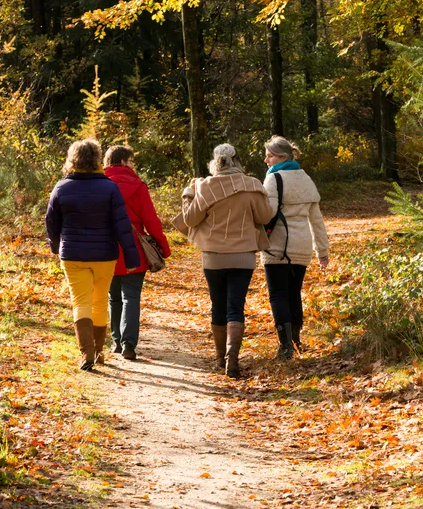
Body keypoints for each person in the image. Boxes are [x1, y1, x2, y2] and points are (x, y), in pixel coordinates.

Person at [175, 144, 274, 379]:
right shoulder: (252, 185)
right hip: (243, 256)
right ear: (238, 160)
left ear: (215, 161)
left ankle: (220, 359)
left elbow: (190, 220)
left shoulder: (204, 187)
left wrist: (188, 195)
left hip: (213, 256)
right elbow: (265, 217)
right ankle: (233, 360)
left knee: (217, 305)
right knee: (235, 306)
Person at [45, 139, 140, 371]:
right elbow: (122, 225)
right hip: (104, 255)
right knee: (99, 302)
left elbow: (51, 222)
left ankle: (86, 353)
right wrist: (131, 257)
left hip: (73, 255)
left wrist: (56, 245)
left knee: (81, 302)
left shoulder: (61, 188)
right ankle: (97, 352)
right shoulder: (109, 188)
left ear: (72, 159)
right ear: (97, 159)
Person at [261, 135, 330, 360]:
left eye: (269, 155)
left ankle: (285, 346)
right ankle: (296, 340)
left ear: (282, 157)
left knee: (278, 294)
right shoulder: (306, 179)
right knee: (293, 293)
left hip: (277, 246)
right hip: (301, 247)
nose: (266, 160)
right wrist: (322, 252)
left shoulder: (273, 179)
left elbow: (267, 214)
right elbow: (316, 221)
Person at [104, 145, 171, 361]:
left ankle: (116, 341)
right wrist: (164, 247)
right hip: (134, 247)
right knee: (131, 296)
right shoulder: (138, 186)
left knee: (113, 296)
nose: (132, 165)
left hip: (107, 246)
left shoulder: (100, 184)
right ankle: (128, 343)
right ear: (124, 162)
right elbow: (151, 220)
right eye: (131, 161)